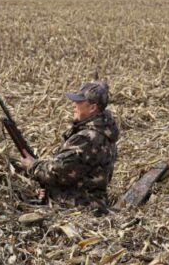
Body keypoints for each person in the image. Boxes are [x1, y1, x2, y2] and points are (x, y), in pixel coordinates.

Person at [19, 81, 119, 209]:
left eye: (79, 102)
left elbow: (58, 173)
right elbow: (77, 174)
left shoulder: (87, 138)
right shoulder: (105, 131)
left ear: (92, 108)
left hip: (80, 206)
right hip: (86, 200)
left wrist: (32, 165)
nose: (74, 105)